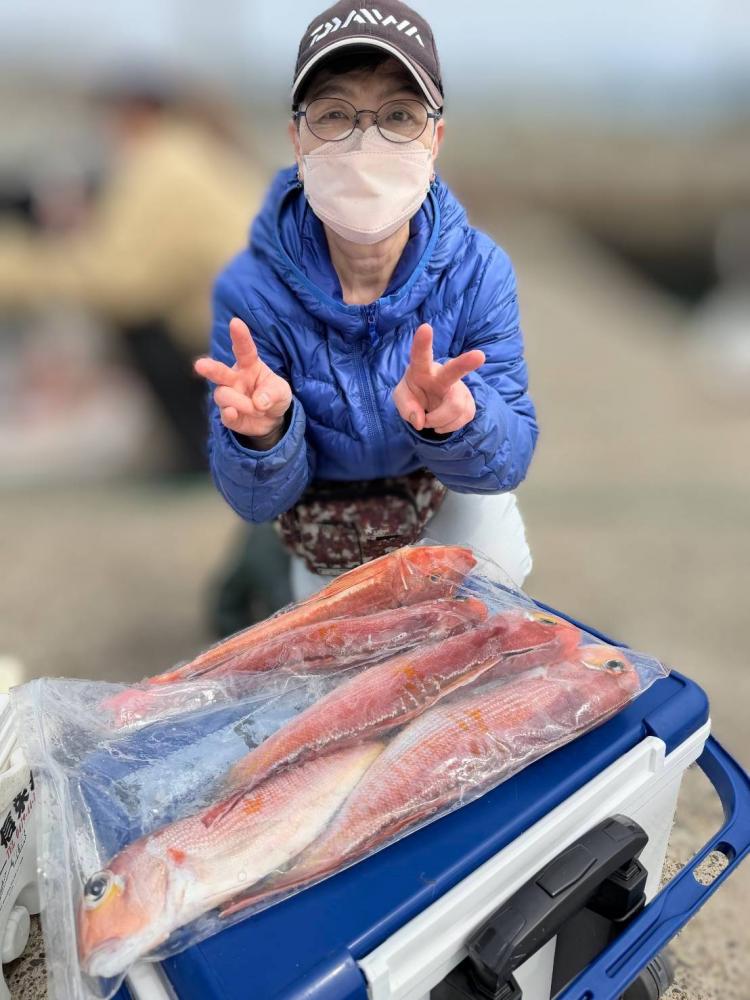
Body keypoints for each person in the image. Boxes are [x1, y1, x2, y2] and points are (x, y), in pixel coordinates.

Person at [195, 0, 539, 603]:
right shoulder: (249, 291)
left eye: (399, 115)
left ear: (435, 139)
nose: (365, 144)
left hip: (439, 494)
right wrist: (262, 437)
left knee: (494, 577)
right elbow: (253, 496)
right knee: (338, 636)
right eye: (333, 115)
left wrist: (462, 419)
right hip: (320, 516)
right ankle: (270, 569)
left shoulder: (480, 271)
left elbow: (508, 460)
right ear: (297, 141)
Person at [0, 78, 265, 473]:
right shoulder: (192, 153)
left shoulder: (161, 162)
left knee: (135, 321)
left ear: (135, 113)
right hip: (252, 322)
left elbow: (124, 281)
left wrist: (14, 269)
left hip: (237, 335)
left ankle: (198, 448)